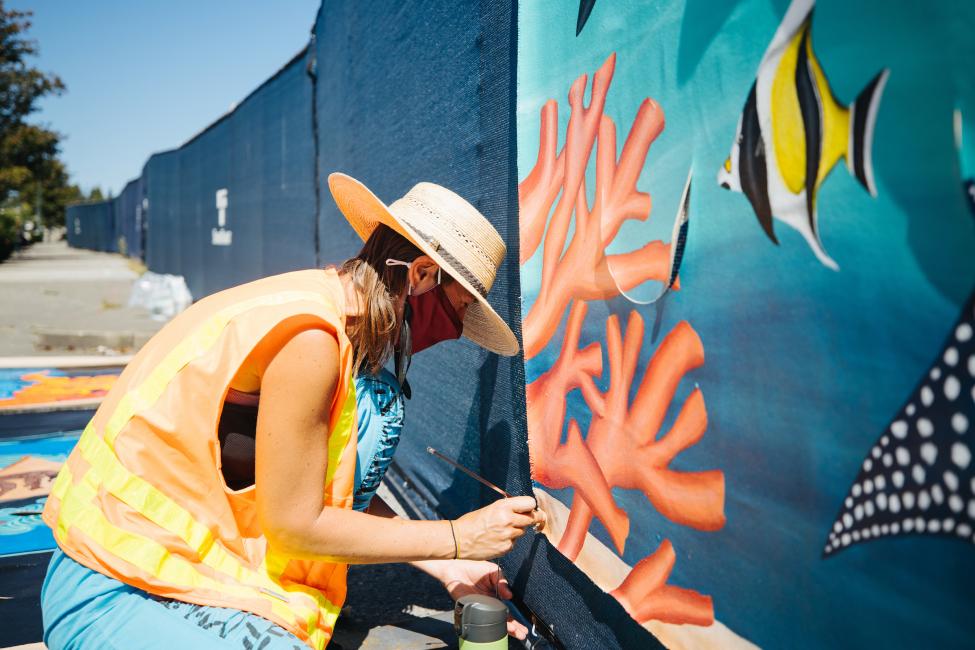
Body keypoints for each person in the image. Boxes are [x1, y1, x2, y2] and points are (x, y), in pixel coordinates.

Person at [40, 173, 545, 649]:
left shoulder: (330, 315)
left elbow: (318, 486)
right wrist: (457, 538)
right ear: (420, 274)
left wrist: (447, 569)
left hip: (157, 564)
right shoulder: (312, 339)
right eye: (459, 309)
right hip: (113, 578)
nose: (455, 329)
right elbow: (296, 523)